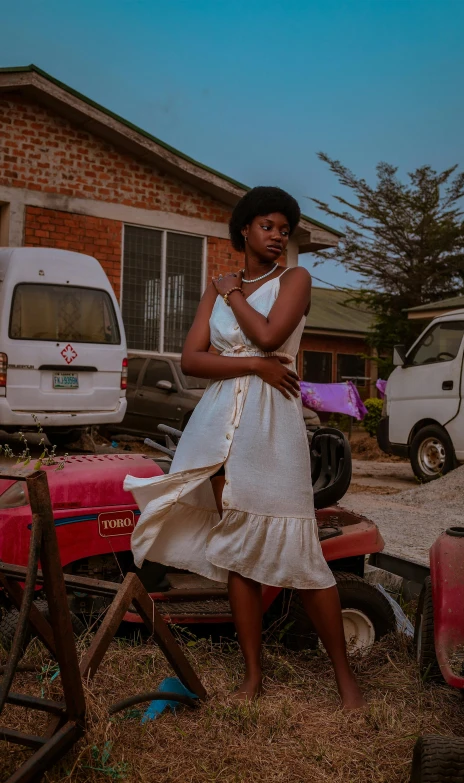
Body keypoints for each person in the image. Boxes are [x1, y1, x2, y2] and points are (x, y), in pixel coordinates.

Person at [124, 186, 365, 710]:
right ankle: (253, 676)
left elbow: (271, 333)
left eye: (284, 229)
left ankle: (345, 680)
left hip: (271, 426)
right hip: (217, 429)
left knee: (300, 547)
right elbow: (192, 360)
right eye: (268, 226)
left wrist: (236, 303)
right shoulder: (217, 286)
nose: (278, 236)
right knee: (238, 551)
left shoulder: (294, 280)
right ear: (244, 231)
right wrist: (254, 364)